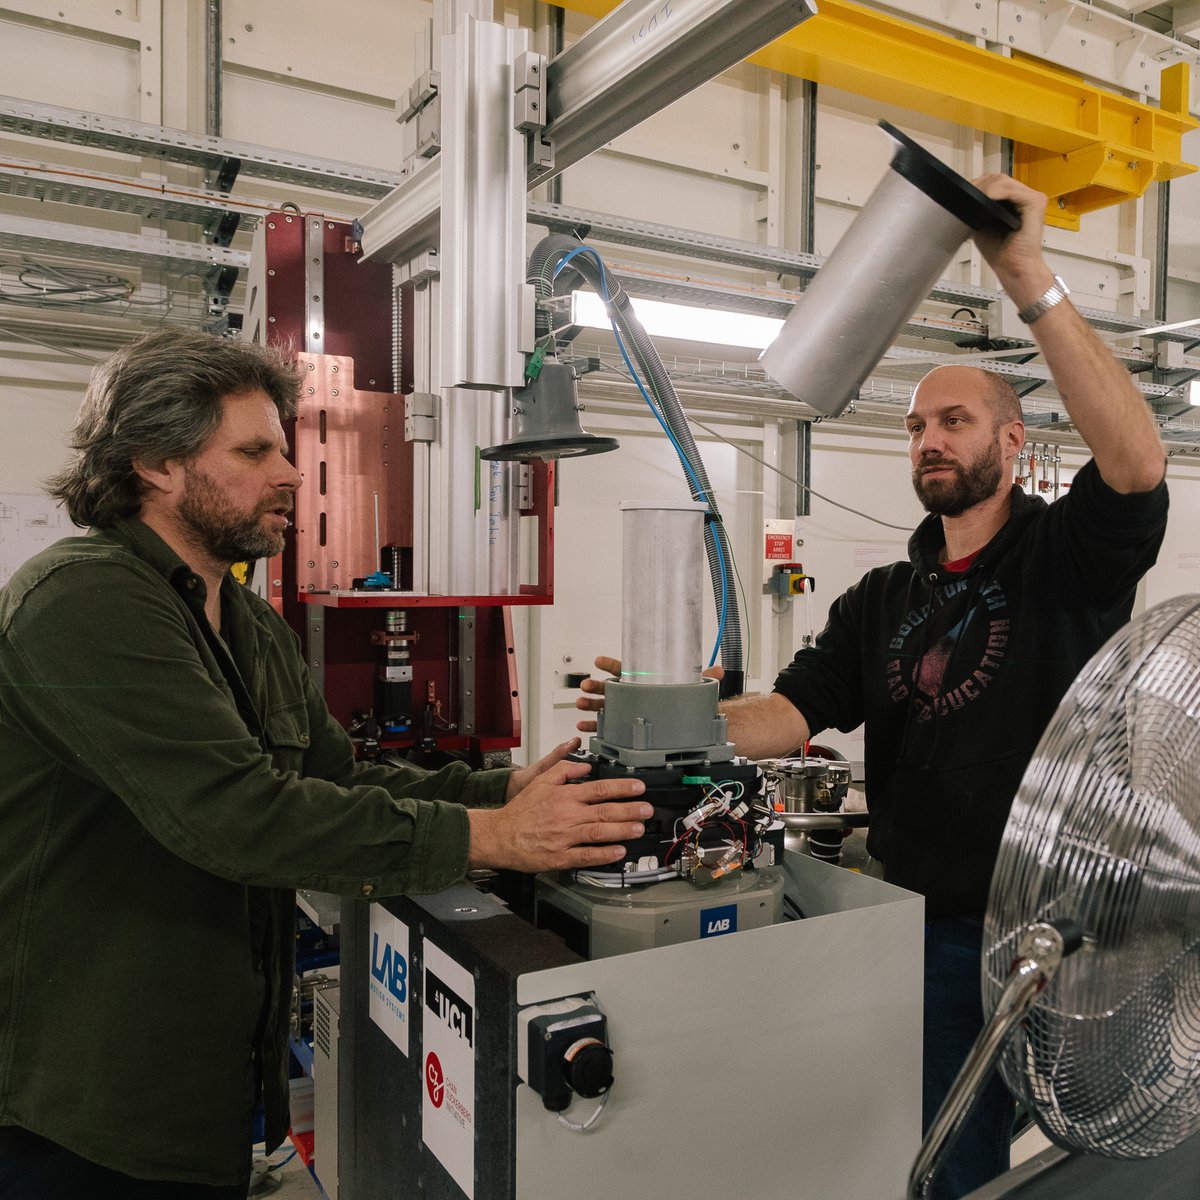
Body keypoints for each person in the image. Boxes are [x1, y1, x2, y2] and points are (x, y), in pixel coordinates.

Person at [577, 174, 1169, 1200]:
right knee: (929, 1148)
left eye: (953, 421)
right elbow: (788, 714)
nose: (929, 441)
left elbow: (1137, 463)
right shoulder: (881, 597)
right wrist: (668, 714)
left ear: (1010, 440)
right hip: (909, 920)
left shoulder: (1064, 561)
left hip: (1036, 928)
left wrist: (1024, 273)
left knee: (973, 1164)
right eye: (912, 427)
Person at [0, 328, 652, 1200]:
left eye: (286, 447)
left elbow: (335, 780)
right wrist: (493, 834)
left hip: (211, 1088)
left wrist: (507, 787)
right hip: (87, 1106)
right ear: (155, 464)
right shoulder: (85, 598)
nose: (291, 475)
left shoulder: (246, 618)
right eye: (254, 450)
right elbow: (235, 813)